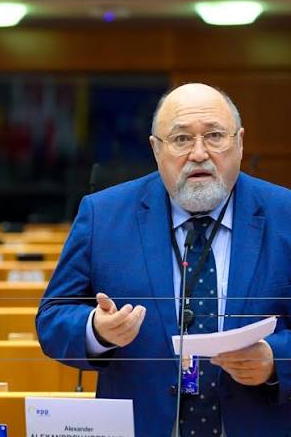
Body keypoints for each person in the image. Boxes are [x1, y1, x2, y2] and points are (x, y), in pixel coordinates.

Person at [36, 83, 291, 437]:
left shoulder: (285, 214)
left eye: (215, 136)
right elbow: (52, 318)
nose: (199, 153)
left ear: (240, 142)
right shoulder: (102, 215)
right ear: (156, 149)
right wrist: (97, 330)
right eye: (182, 139)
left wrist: (277, 360)